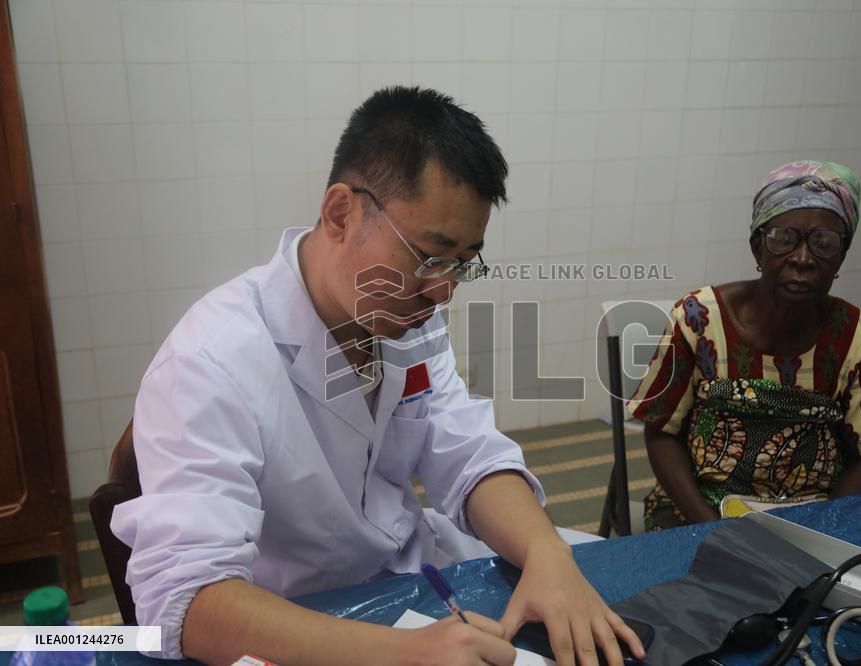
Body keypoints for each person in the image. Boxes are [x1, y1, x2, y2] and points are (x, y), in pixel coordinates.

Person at [110, 87, 644, 666]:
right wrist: (403, 654)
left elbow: (465, 453)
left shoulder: (401, 319)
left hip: (416, 581)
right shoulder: (208, 362)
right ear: (342, 212)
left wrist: (545, 553)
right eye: (429, 255)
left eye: (462, 264)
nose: (441, 292)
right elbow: (188, 602)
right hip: (300, 624)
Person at [628, 161, 861, 532]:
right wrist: (713, 529)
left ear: (841, 257)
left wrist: (820, 533)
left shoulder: (855, 335)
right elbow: (662, 431)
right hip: (698, 510)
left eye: (824, 243)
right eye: (783, 239)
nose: (802, 259)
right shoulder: (699, 319)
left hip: (812, 518)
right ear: (758, 249)